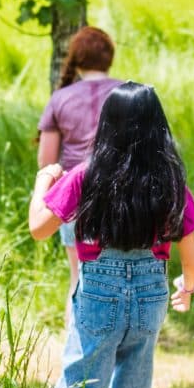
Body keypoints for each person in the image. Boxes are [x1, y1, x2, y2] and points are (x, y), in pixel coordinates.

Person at [30, 83, 194, 388]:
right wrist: (187, 286)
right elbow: (192, 259)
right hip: (150, 295)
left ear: (106, 127)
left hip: (98, 293)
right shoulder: (170, 182)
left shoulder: (86, 176)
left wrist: (41, 182)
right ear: (158, 129)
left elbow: (38, 228)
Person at [38, 27, 124, 290]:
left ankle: (74, 331)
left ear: (77, 59)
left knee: (79, 279)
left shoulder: (60, 98)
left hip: (75, 197)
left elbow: (47, 161)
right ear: (109, 57)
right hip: (123, 196)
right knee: (121, 276)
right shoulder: (128, 92)